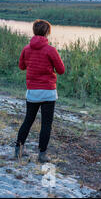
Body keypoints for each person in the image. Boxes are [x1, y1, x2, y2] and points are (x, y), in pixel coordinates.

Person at [15, 19, 65, 163]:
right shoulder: (51, 50)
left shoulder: (26, 49)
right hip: (48, 92)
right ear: (47, 32)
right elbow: (61, 70)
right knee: (46, 124)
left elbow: (21, 67)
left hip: (33, 92)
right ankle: (42, 155)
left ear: (34, 31)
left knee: (28, 121)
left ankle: (18, 150)